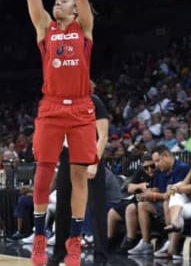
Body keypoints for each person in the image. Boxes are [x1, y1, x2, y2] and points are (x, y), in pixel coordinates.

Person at [8, 0, 95, 266]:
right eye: (57, 0)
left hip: (82, 109)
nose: (58, 3)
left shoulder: (84, 28)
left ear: (73, 10)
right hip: (51, 107)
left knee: (77, 175)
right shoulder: (44, 28)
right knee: (44, 171)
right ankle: (40, 237)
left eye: (64, 0)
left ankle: (74, 241)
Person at [49, 88, 111, 266]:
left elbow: (103, 135)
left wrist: (94, 162)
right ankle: (59, 253)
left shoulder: (93, 100)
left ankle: (101, 257)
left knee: (96, 207)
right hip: (68, 155)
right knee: (62, 205)